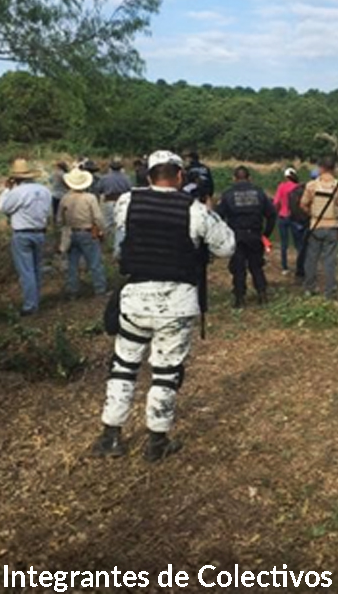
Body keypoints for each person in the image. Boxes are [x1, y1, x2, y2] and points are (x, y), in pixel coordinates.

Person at [92, 150, 234, 461]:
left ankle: (111, 437)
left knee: (123, 366)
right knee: (166, 372)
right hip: (177, 302)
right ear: (180, 176)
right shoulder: (194, 210)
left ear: (148, 175)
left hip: (135, 298)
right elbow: (226, 247)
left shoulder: (128, 201)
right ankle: (157, 442)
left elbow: (116, 230)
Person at [0, 159, 52, 316]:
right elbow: (48, 212)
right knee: (36, 268)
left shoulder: (17, 192)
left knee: (26, 271)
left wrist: (6, 190)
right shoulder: (45, 191)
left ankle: (30, 305)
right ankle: (36, 300)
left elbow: (3, 208)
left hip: (22, 233)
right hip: (40, 232)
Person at [217, 166, 276, 308]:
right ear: (250, 178)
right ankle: (262, 294)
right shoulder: (260, 193)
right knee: (256, 266)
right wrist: (265, 234)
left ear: (234, 178)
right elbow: (272, 214)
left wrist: (223, 236)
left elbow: (218, 217)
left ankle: (239, 298)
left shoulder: (228, 194)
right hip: (255, 234)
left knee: (238, 268)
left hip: (236, 235)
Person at [300, 156, 338, 300]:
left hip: (315, 226)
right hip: (333, 227)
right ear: (334, 168)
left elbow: (302, 204)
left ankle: (309, 288)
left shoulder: (311, 185)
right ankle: (330, 292)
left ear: (321, 168)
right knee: (330, 260)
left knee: (311, 258)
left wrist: (312, 214)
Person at [57, 167, 108, 297]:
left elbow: (59, 219)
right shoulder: (90, 198)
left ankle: (72, 290)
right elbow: (97, 217)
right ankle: (100, 289)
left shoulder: (65, 199)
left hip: (71, 233)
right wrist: (103, 230)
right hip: (88, 232)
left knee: (72, 264)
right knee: (95, 262)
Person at [272, 167, 305, 275]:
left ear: (286, 177)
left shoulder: (281, 186)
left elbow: (276, 202)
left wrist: (274, 213)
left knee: (284, 244)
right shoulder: (298, 187)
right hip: (295, 218)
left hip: (282, 216)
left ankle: (285, 267)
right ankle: (300, 267)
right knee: (298, 244)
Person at [96, 159, 132, 244]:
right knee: (121, 223)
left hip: (109, 200)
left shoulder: (104, 178)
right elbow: (130, 189)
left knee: (108, 223)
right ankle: (119, 243)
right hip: (122, 202)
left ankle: (108, 243)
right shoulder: (126, 178)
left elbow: (99, 190)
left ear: (110, 168)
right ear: (121, 168)